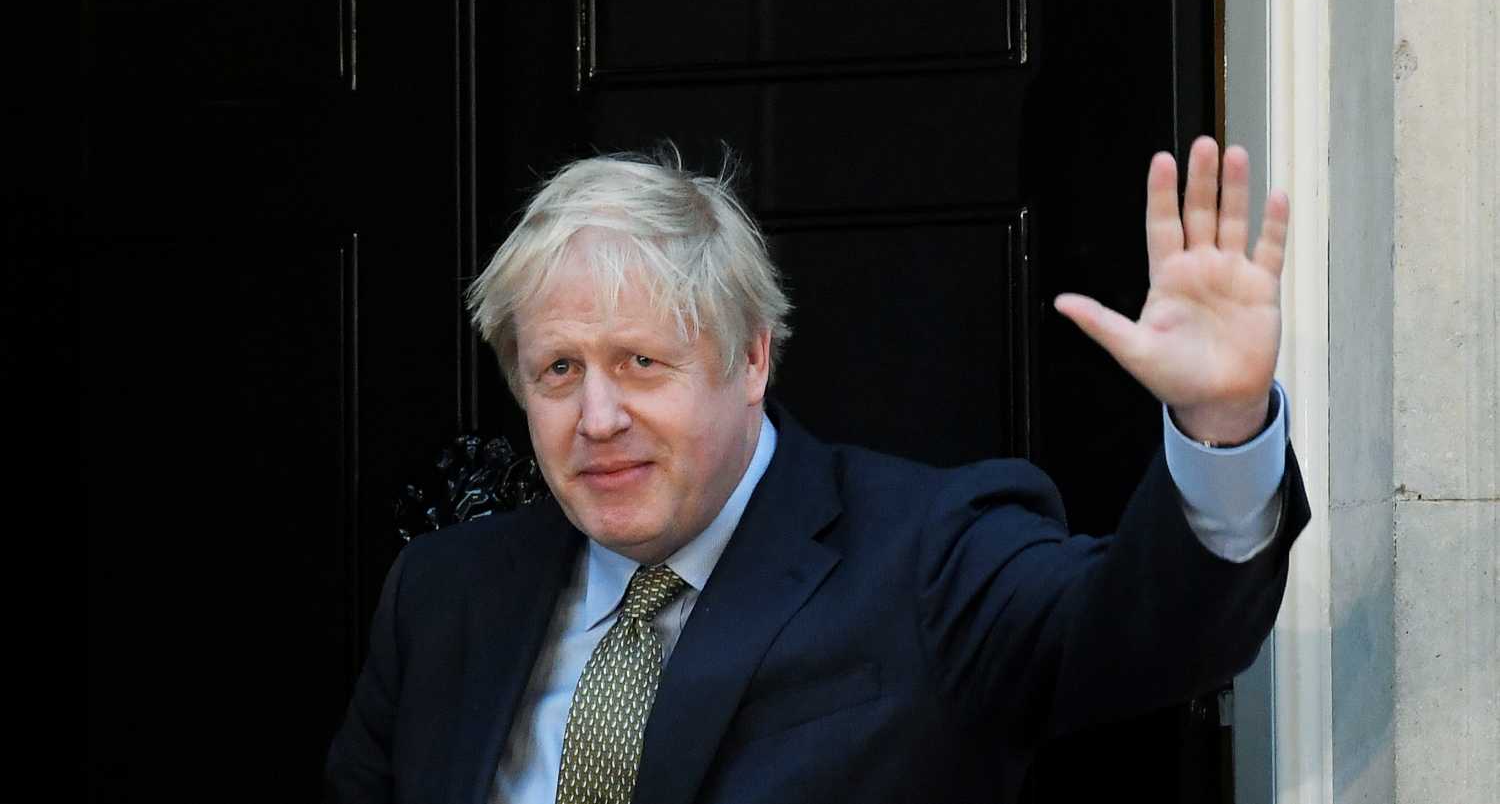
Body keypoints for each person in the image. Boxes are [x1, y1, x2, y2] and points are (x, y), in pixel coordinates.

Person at [325, 136, 1307, 804]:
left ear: (751, 357)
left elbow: (1151, 639)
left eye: (641, 362)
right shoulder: (444, 596)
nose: (598, 418)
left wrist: (1220, 423)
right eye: (558, 371)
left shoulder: (928, 559)